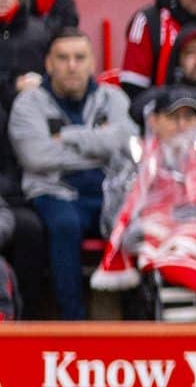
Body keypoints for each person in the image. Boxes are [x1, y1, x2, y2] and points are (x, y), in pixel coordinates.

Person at [8, 31, 138, 320]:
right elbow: (37, 156)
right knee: (64, 225)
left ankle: (138, 322)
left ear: (92, 63)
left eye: (79, 58)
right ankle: (72, 324)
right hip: (55, 191)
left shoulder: (113, 98)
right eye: (63, 58)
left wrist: (67, 136)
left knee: (139, 219)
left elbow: (126, 141)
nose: (71, 66)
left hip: (109, 191)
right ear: (49, 63)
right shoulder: (29, 103)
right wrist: (99, 144)